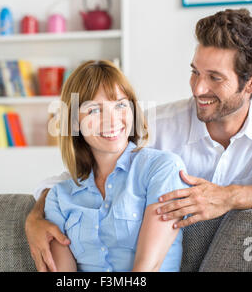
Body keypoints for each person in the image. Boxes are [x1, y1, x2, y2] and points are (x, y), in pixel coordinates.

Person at [25, 9, 252, 272]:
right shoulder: (158, 124)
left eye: (215, 78)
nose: (197, 88)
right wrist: (36, 217)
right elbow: (85, 171)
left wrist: (230, 197)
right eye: (195, 72)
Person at [43, 60, 188, 272]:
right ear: (74, 122)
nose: (112, 120)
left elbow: (148, 269)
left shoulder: (161, 168)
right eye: (94, 110)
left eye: (120, 105)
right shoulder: (59, 196)